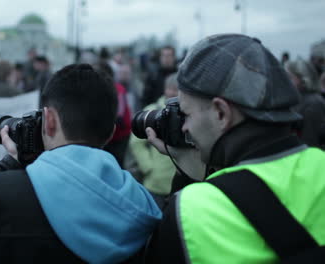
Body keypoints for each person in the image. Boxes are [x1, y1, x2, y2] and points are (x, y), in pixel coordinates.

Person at [0, 64, 162, 263]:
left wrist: (9, 163)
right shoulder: (145, 203)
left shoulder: (7, 191)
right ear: (111, 132)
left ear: (49, 120)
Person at [144, 34, 325, 263]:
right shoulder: (320, 165)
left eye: (186, 114)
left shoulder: (192, 210)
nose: (185, 128)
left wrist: (186, 180)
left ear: (221, 112)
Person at [129, 73, 178, 207]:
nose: (173, 92)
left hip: (180, 180)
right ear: (164, 89)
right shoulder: (151, 112)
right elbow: (136, 142)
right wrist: (148, 167)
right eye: (170, 88)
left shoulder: (186, 113)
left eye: (177, 89)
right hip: (155, 181)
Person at [285, 58, 325, 148]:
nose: (284, 81)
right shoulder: (296, 100)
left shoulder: (313, 104)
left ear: (304, 80)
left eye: (289, 77)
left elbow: (310, 142)